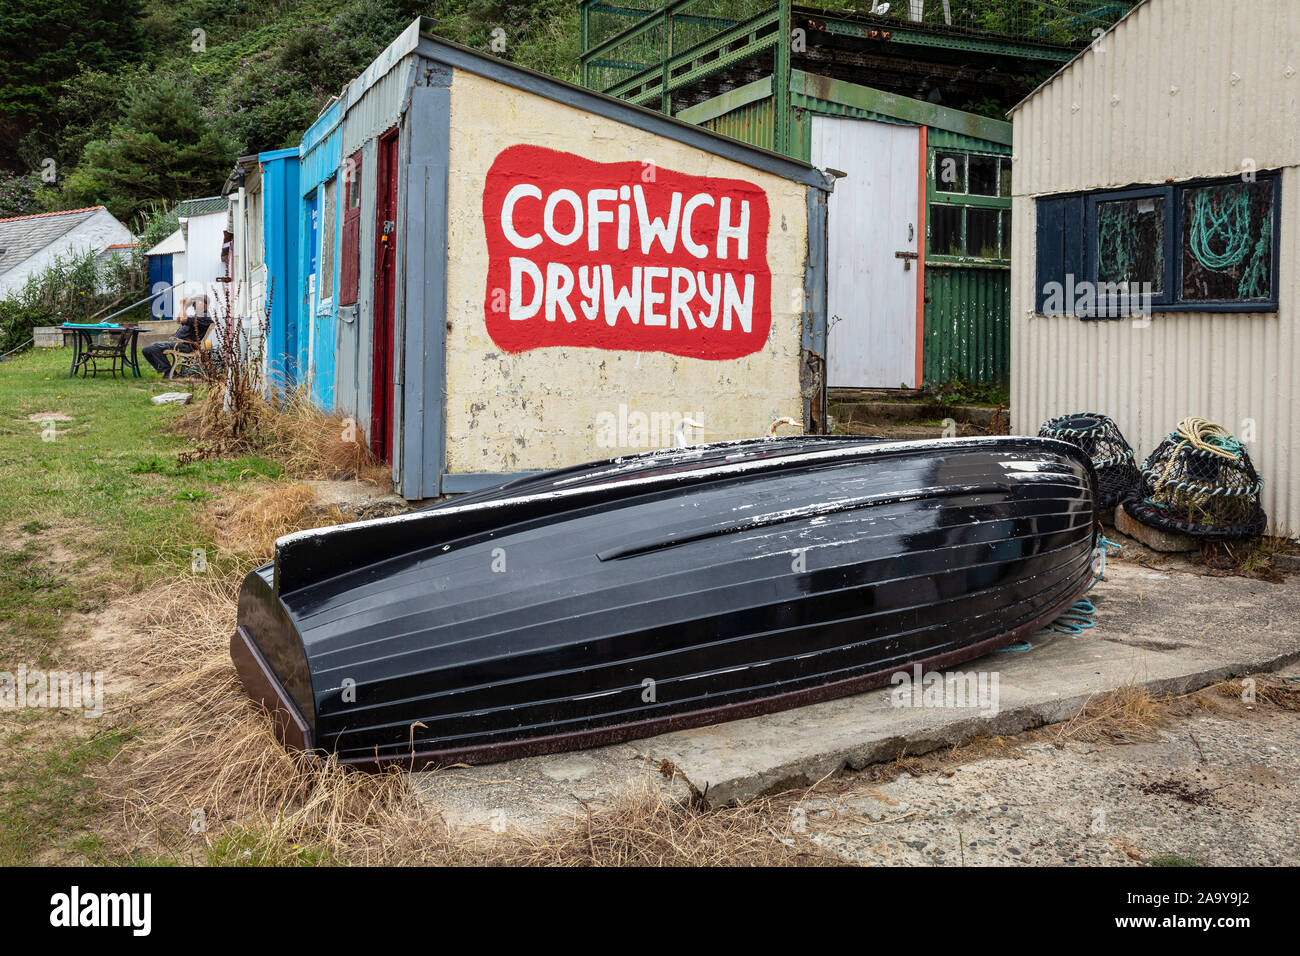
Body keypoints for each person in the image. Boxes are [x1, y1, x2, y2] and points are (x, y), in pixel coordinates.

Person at [143, 294, 213, 377]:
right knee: (146, 350)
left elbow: (183, 319)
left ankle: (169, 372)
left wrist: (183, 305)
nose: (194, 305)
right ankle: (168, 371)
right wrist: (185, 307)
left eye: (196, 303)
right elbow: (179, 319)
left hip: (187, 345)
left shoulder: (205, 317)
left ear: (203, 304)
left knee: (154, 347)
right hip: (178, 343)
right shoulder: (197, 316)